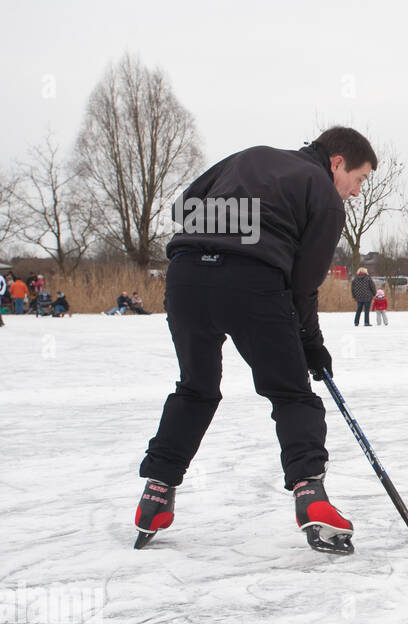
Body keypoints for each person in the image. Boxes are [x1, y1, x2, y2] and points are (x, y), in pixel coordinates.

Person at [135, 126, 378, 555]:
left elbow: (183, 208)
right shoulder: (322, 194)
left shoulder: (248, 156)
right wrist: (312, 345)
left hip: (186, 276)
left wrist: (228, 234)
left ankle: (155, 496)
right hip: (252, 284)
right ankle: (311, 498)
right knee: (292, 396)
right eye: (358, 179)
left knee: (196, 389)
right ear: (337, 162)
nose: (356, 192)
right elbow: (303, 285)